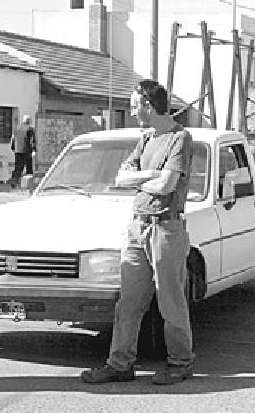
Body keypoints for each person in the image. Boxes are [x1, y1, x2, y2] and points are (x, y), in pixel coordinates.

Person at [81, 80, 196, 385]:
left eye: (134, 106)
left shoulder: (180, 139)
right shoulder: (145, 139)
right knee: (128, 302)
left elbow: (167, 186)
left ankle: (180, 363)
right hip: (138, 226)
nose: (132, 112)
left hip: (166, 228)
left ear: (148, 104)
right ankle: (120, 364)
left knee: (170, 300)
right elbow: (121, 177)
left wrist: (141, 180)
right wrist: (151, 176)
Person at [9, 115, 37, 187]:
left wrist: (13, 148)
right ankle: (28, 184)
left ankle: (14, 181)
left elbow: (13, 139)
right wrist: (33, 150)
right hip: (27, 151)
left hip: (17, 151)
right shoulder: (30, 129)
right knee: (29, 168)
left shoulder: (17, 128)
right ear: (29, 121)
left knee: (18, 167)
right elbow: (32, 140)